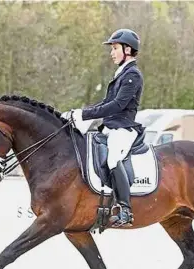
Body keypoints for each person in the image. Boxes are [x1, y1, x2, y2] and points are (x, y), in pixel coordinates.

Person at [61, 28, 144, 227]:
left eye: (115, 48)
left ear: (127, 49)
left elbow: (116, 106)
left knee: (113, 158)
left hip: (124, 129)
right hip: (110, 128)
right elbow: (104, 104)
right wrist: (78, 113)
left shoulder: (133, 75)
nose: (111, 52)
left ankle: (125, 210)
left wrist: (84, 114)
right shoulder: (121, 74)